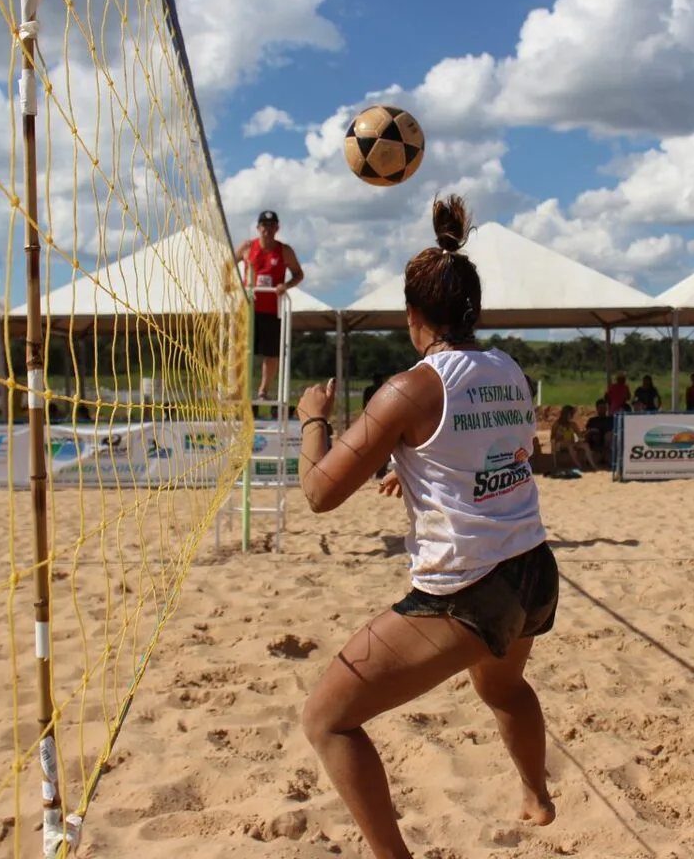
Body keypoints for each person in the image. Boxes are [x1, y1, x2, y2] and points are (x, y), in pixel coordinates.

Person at [293, 194, 558, 858]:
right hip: (534, 570)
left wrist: (311, 417)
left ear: (415, 318)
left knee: (327, 720)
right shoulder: (508, 369)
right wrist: (410, 468)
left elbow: (320, 492)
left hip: (469, 589)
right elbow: (504, 453)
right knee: (501, 684)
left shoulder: (411, 387)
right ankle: (536, 794)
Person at [235, 209, 305, 406]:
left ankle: (263, 390)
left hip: (272, 308)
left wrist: (286, 285)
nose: (267, 229)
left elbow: (299, 274)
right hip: (249, 307)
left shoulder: (284, 251)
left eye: (272, 225)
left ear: (277, 228)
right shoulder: (248, 247)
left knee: (272, 353)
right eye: (264, 225)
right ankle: (238, 388)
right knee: (241, 349)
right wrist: (232, 286)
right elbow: (228, 265)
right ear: (258, 228)